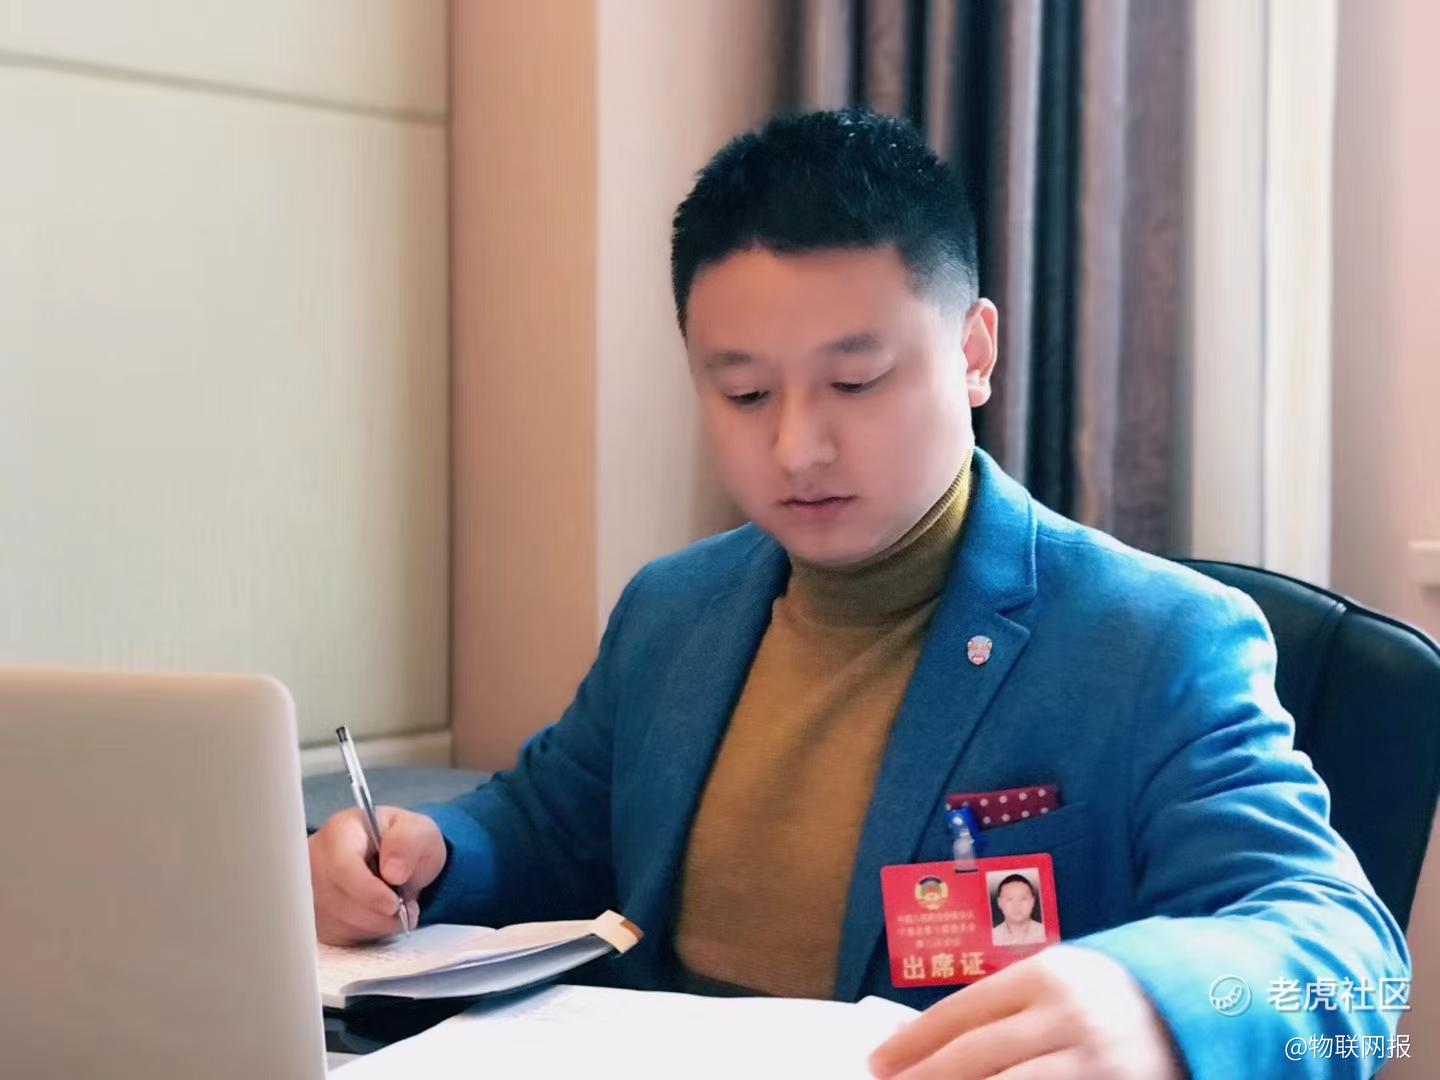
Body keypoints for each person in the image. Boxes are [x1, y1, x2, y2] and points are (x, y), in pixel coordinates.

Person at [308, 108, 1409, 1079]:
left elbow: (1348, 959)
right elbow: (552, 824)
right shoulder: (674, 611)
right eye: (744, 393)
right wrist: (430, 855)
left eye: (856, 380)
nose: (797, 447)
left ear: (973, 352)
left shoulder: (1151, 640)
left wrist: (1160, 1010)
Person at [990, 873, 1046, 947]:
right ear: (999, 902)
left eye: (1023, 898)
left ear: (1032, 901)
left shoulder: (1044, 932)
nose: (1017, 905)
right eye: (1010, 899)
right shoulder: (992, 936)